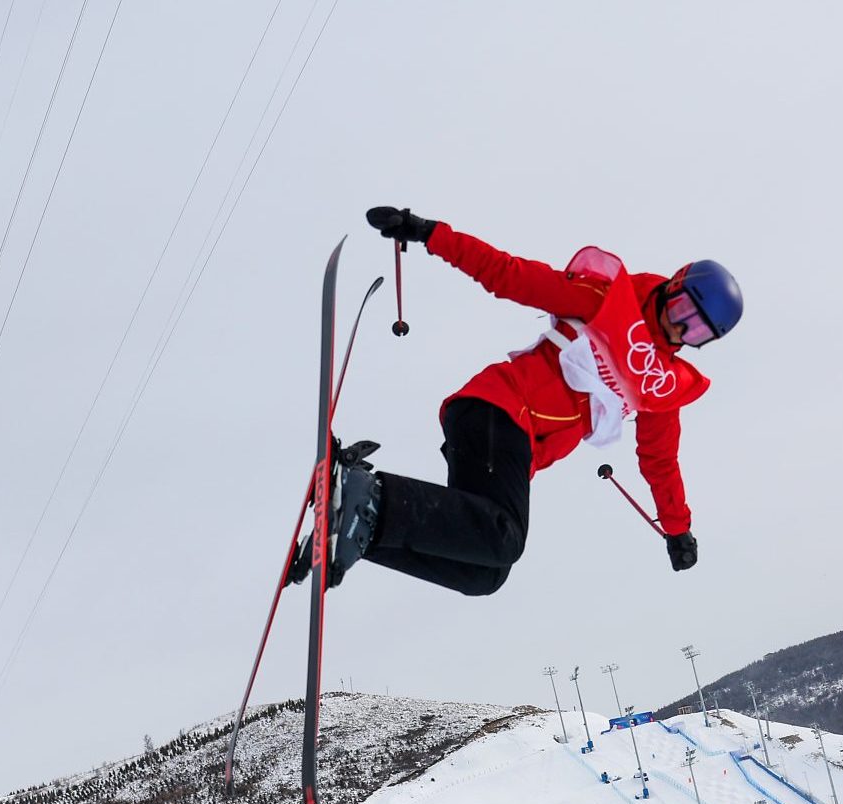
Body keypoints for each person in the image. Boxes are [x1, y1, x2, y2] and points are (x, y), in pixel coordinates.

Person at [293, 206, 744, 596]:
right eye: (683, 310)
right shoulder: (605, 300)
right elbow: (509, 275)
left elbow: (660, 461)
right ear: (675, 283)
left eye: (697, 331)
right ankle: (364, 494)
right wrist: (430, 233)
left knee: (485, 572)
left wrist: (677, 527)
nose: (679, 329)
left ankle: (356, 532)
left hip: (513, 446)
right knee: (503, 538)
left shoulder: (661, 384)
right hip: (499, 410)